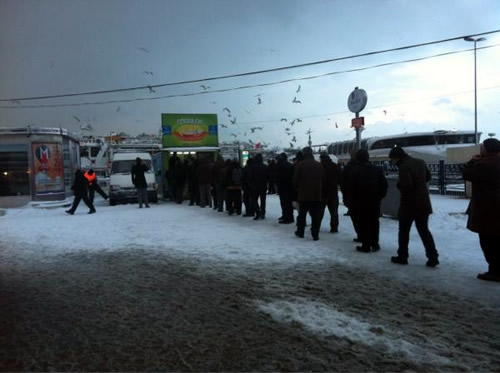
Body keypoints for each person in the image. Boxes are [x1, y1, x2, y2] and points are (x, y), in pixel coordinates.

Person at [388, 146, 439, 267]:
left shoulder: (404, 166)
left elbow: (407, 186)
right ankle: (433, 257)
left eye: (392, 159)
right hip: (423, 202)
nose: (392, 162)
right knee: (424, 230)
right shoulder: (420, 161)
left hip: (409, 204)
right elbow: (428, 177)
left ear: (397, 158)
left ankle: (402, 256)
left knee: (404, 231)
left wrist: (399, 184)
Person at [463, 138, 500, 282]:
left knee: (488, 241)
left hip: (488, 209)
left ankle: (495, 271)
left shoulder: (485, 164)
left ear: (487, 149)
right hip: (495, 208)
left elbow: (466, 173)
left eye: (482, 147)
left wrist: (472, 161)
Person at [347, 149, 387, 252]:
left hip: (360, 202)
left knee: (363, 223)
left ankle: (366, 245)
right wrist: (380, 196)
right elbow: (384, 185)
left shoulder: (354, 170)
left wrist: (351, 200)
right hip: (374, 201)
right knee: (374, 222)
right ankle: (375, 243)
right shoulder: (377, 169)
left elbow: (351, 187)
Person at [293, 147, 325, 241]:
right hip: (316, 195)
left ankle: (300, 232)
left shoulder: (300, 165)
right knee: (315, 216)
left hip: (303, 195)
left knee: (302, 215)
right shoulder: (319, 165)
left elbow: (295, 181)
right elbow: (324, 180)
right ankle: (315, 234)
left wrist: (297, 190)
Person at [341, 149, 361, 241]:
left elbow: (343, 183)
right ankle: (369, 238)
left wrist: (345, 197)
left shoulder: (348, 167)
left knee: (356, 218)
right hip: (366, 198)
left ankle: (361, 235)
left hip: (352, 197)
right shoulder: (369, 166)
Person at [319, 152, 342, 233]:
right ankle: (334, 228)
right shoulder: (335, 166)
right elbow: (340, 179)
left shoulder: (320, 167)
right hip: (333, 193)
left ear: (321, 158)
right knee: (334, 212)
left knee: (319, 212)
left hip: (322, 193)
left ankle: (316, 226)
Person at [247, 153, 270, 220]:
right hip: (263, 186)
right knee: (263, 200)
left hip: (255, 186)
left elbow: (249, 177)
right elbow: (269, 177)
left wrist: (250, 184)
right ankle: (263, 213)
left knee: (254, 200)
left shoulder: (252, 167)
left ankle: (257, 212)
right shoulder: (265, 167)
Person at [275, 153, 294, 224]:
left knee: (284, 203)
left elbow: (277, 177)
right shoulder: (290, 165)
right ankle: (289, 216)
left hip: (282, 187)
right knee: (288, 203)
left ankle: (287, 217)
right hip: (289, 186)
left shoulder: (280, 166)